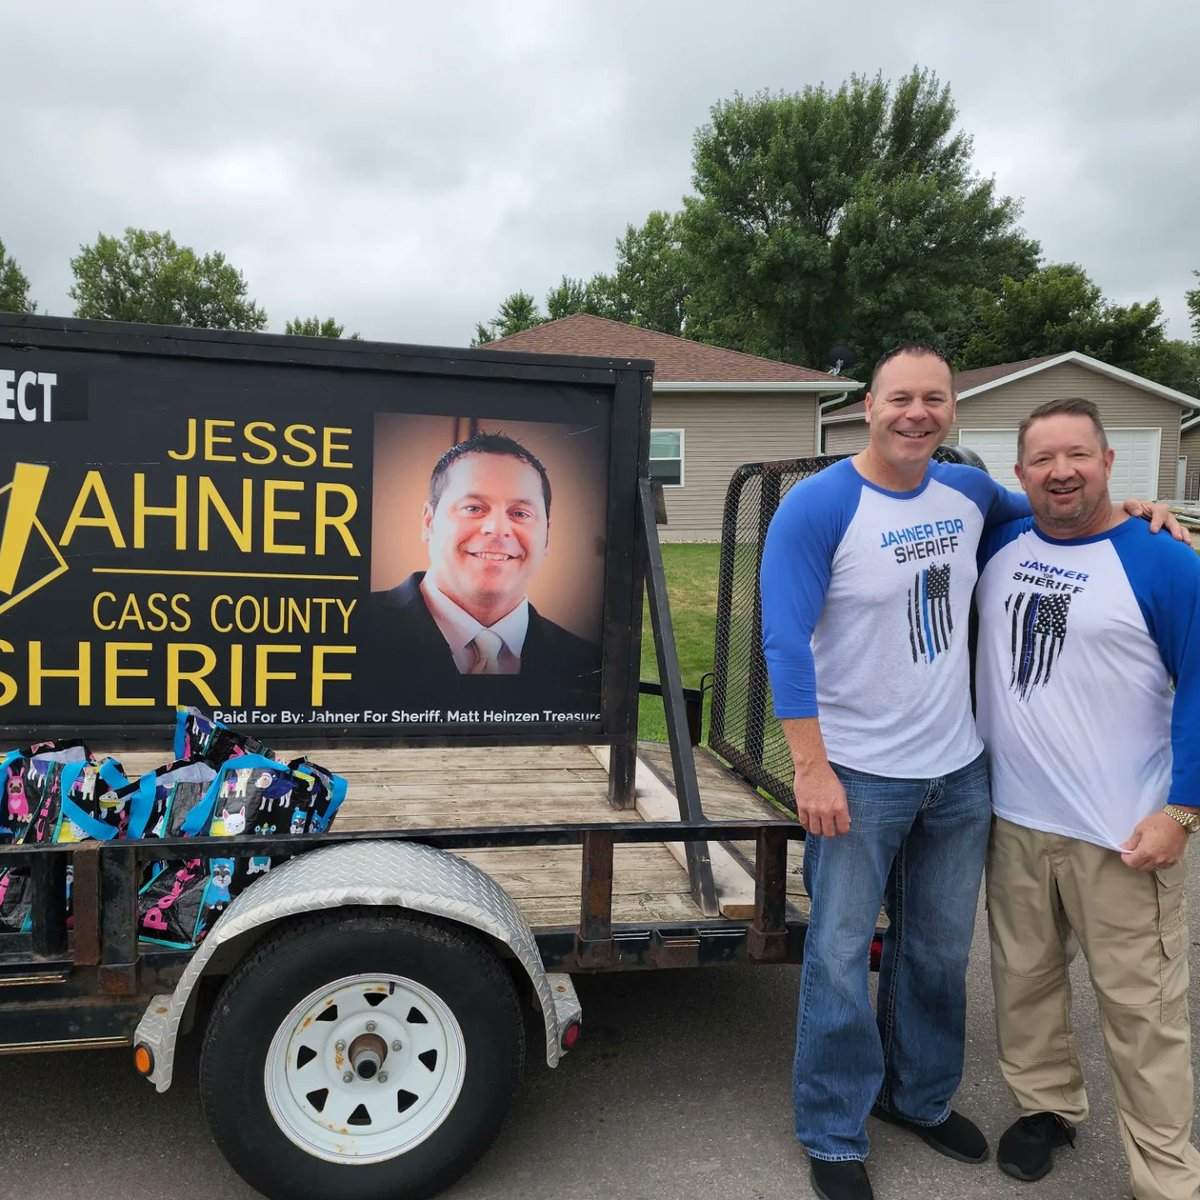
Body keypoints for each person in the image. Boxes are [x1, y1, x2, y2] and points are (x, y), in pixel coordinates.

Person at [759, 344, 1184, 1200]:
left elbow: (1056, 512)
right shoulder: (818, 507)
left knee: (938, 952)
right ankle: (834, 1132)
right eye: (900, 398)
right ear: (868, 407)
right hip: (861, 775)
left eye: (935, 399)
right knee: (840, 957)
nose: (917, 413)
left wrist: (1139, 511)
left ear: (952, 410)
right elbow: (783, 643)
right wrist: (811, 768)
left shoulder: (968, 492)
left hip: (958, 774)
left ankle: (915, 1097)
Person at [975, 397, 1200, 1200]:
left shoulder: (1165, 559)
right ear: (1020, 473)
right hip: (1017, 823)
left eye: (1078, 455)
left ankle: (1167, 1177)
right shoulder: (998, 542)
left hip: (1124, 834)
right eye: (1042, 459)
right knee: (1024, 984)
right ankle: (1048, 1109)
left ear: (1111, 463)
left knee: (1144, 1016)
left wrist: (1182, 811)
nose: (1060, 471)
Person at [367, 431, 599, 711]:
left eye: (520, 513)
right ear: (429, 522)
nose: (498, 529)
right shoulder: (347, 629)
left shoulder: (589, 663)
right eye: (474, 508)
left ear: (547, 535)